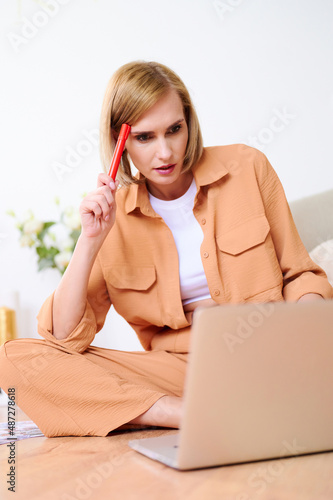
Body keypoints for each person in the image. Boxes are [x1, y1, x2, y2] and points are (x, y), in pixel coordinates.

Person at [0, 61, 332, 438]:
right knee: (13, 359)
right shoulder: (114, 218)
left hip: (275, 350)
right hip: (184, 373)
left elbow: (300, 273)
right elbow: (63, 340)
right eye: (145, 137)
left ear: (189, 123)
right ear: (118, 140)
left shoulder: (247, 167)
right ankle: (189, 414)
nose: (165, 152)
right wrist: (90, 241)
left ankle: (247, 402)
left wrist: (308, 337)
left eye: (174, 129)